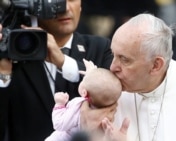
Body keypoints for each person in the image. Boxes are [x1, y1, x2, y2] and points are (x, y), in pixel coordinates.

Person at [81, 13, 176, 141]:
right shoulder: (105, 92)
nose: (113, 67)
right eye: (114, 55)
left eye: (124, 59)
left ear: (156, 65)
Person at [0, 0, 116, 140]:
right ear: (34, 6)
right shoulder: (13, 50)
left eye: (72, 0)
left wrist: (63, 62)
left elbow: (111, 94)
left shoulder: (101, 48)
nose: (65, 8)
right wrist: (3, 75)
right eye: (55, 0)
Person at [45, 59, 122, 141]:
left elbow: (59, 124)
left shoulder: (78, 107)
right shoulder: (107, 110)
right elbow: (98, 85)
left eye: (83, 80)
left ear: (84, 92)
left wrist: (59, 105)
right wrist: (91, 74)